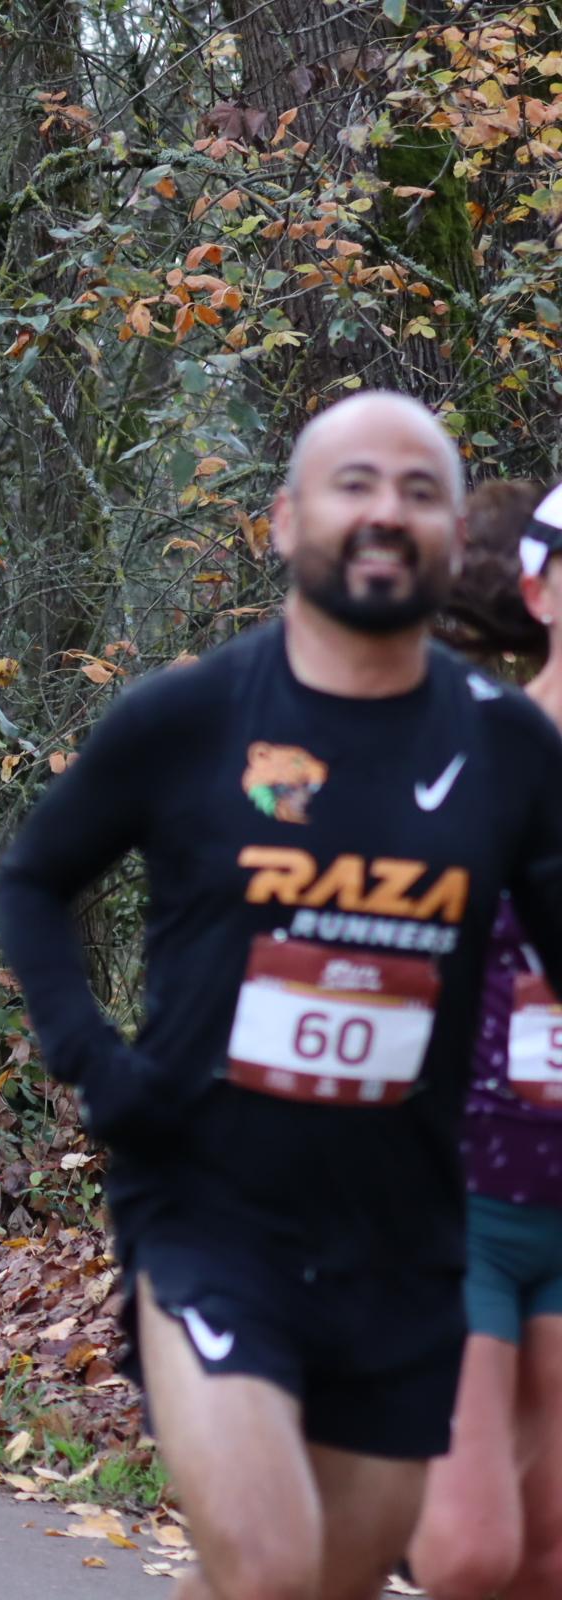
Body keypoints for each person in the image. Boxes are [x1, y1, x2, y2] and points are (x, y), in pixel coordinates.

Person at [0, 392, 562, 1600]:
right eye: (355, 484)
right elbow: (33, 879)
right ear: (286, 520)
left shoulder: (509, 746)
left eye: (419, 491)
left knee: (323, 1580)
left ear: (457, 534)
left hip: (407, 1233)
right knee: (269, 1567)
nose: (386, 512)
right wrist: (95, 1062)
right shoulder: (190, 716)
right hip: (210, 1210)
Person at [407, 480, 562, 1600]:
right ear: (540, 590)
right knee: (466, 1549)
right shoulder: (466, 747)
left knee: (546, 1554)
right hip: (458, 1195)